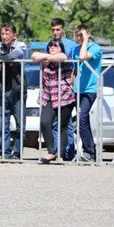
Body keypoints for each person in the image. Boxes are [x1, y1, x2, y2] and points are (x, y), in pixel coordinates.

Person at [0, 23, 27, 159]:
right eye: (2, 34)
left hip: (18, 91)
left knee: (20, 125)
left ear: (14, 35)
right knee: (2, 124)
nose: (4, 37)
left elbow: (14, 56)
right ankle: (5, 153)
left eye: (7, 33)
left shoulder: (21, 45)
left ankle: (17, 154)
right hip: (3, 90)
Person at [32, 40, 75, 164]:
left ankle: (60, 155)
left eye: (55, 45)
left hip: (64, 96)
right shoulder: (47, 63)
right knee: (44, 122)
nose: (52, 47)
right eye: (50, 45)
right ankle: (51, 152)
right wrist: (48, 57)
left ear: (61, 48)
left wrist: (46, 57)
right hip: (50, 97)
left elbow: (61, 57)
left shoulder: (65, 58)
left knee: (62, 126)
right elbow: (34, 56)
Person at [70, 23, 102, 162]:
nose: (79, 38)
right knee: (83, 120)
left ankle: (90, 151)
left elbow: (83, 57)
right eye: (77, 35)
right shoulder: (75, 49)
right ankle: (90, 150)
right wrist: (72, 85)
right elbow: (75, 69)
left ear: (89, 34)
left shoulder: (95, 48)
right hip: (78, 89)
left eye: (81, 35)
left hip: (90, 89)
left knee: (82, 117)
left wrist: (86, 40)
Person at [50, 18, 77, 159]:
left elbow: (74, 68)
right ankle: (56, 151)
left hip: (66, 89)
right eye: (53, 29)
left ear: (63, 30)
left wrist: (71, 86)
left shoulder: (70, 45)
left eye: (58, 29)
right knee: (55, 122)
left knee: (66, 123)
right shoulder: (50, 45)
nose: (55, 32)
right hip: (53, 89)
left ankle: (68, 152)